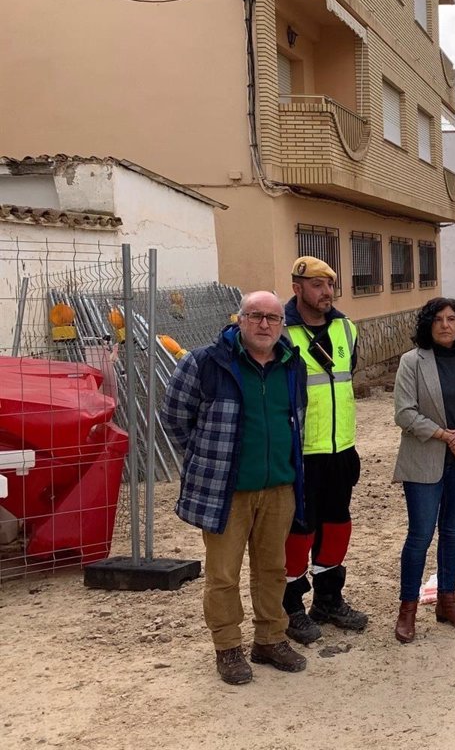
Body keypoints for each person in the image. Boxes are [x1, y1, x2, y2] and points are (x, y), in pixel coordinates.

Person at [160, 291, 309, 684]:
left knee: (273, 569)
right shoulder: (206, 363)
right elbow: (174, 418)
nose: (264, 325)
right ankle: (227, 648)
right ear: (239, 319)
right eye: (255, 316)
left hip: (279, 486)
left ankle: (270, 639)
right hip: (227, 490)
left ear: (282, 325)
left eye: (273, 318)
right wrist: (207, 458)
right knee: (223, 574)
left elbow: (297, 417)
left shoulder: (292, 365)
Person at [391, 297, 455, 643]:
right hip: (424, 461)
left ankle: (447, 602)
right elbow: (404, 413)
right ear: (428, 324)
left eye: (452, 318)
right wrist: (446, 436)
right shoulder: (412, 362)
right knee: (420, 535)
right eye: (438, 319)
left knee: (452, 532)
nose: (445, 325)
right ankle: (407, 610)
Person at [281, 256, 367, 643]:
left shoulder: (346, 329)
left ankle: (329, 599)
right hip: (302, 454)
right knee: (299, 532)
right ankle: (291, 608)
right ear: (297, 288)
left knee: (337, 527)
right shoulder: (282, 333)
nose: (326, 292)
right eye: (317, 284)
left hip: (341, 450)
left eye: (330, 284)